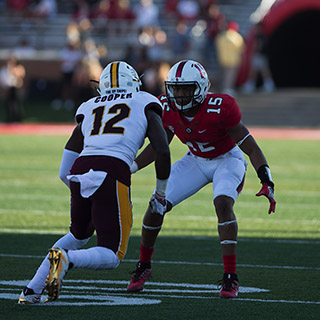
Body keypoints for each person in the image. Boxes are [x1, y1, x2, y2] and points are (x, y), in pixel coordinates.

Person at [17, 61, 171, 304]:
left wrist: (87, 188)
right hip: (112, 170)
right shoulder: (144, 100)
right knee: (112, 254)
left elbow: (63, 170)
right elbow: (162, 150)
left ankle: (31, 291)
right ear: (134, 82)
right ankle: (68, 260)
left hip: (80, 170)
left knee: (77, 234)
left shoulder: (89, 105)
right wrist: (161, 193)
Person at [127, 60, 276, 299]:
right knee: (156, 205)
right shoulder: (167, 107)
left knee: (223, 203)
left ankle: (231, 277)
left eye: (186, 89)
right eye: (176, 89)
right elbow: (159, 146)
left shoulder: (220, 107)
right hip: (195, 159)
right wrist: (131, 167)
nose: (180, 95)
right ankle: (143, 266)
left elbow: (251, 146)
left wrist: (266, 179)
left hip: (227, 158)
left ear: (201, 88)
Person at [215, 21, 245, 96]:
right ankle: (227, 89)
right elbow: (241, 49)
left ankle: (222, 89)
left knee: (223, 75)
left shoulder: (221, 36)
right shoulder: (237, 37)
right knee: (230, 76)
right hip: (233, 59)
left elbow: (217, 46)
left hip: (222, 59)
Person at [0, 54, 26, 123]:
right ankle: (10, 118)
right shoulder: (6, 69)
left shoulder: (19, 67)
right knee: (9, 103)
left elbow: (20, 75)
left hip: (17, 89)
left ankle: (17, 119)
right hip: (10, 88)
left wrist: (11, 69)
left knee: (16, 104)